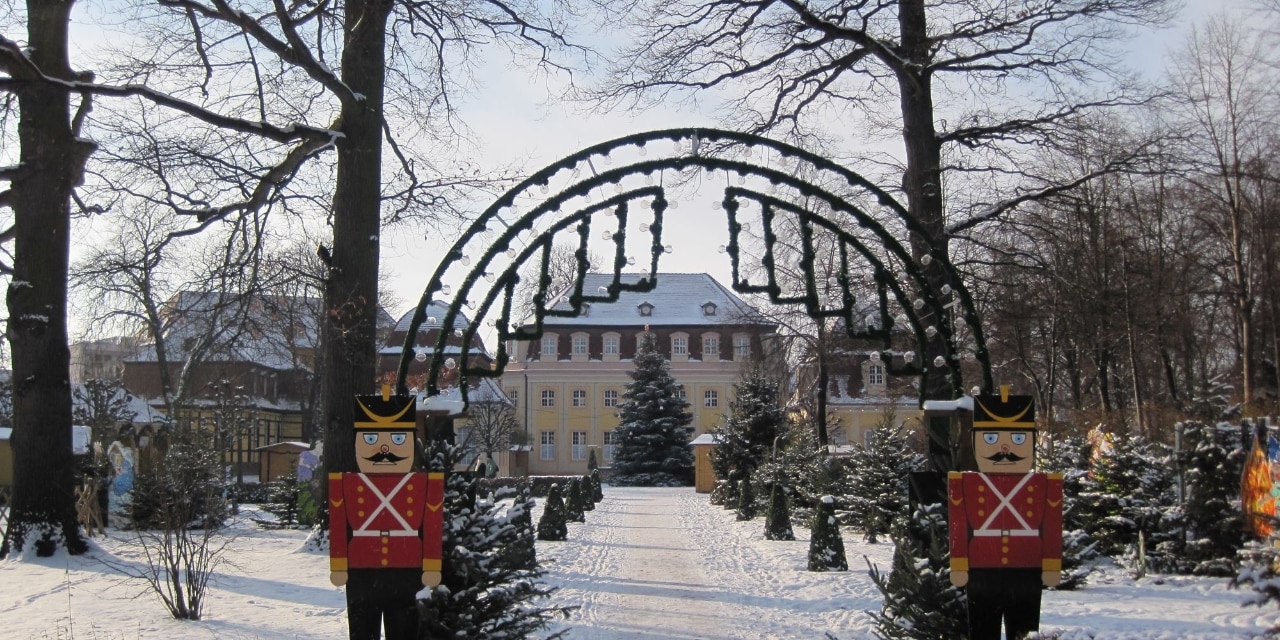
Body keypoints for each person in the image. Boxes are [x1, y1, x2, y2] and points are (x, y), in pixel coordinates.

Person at [330, 386, 444, 640]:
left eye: (397, 439)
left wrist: (432, 563)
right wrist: (338, 563)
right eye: (371, 439)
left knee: (403, 630)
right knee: (362, 631)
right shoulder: (343, 484)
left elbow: (432, 525)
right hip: (361, 569)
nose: (384, 449)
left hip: (406, 567)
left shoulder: (427, 484)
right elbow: (339, 525)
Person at [948, 387, 1062, 640]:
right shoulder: (963, 483)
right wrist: (959, 562)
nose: (1005, 447)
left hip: (1027, 567)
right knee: (982, 629)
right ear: (976, 439)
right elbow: (958, 524)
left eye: (1018, 439)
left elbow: (1052, 526)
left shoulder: (1046, 484)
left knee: (1023, 629)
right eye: (991, 438)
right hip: (981, 568)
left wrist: (1052, 563)